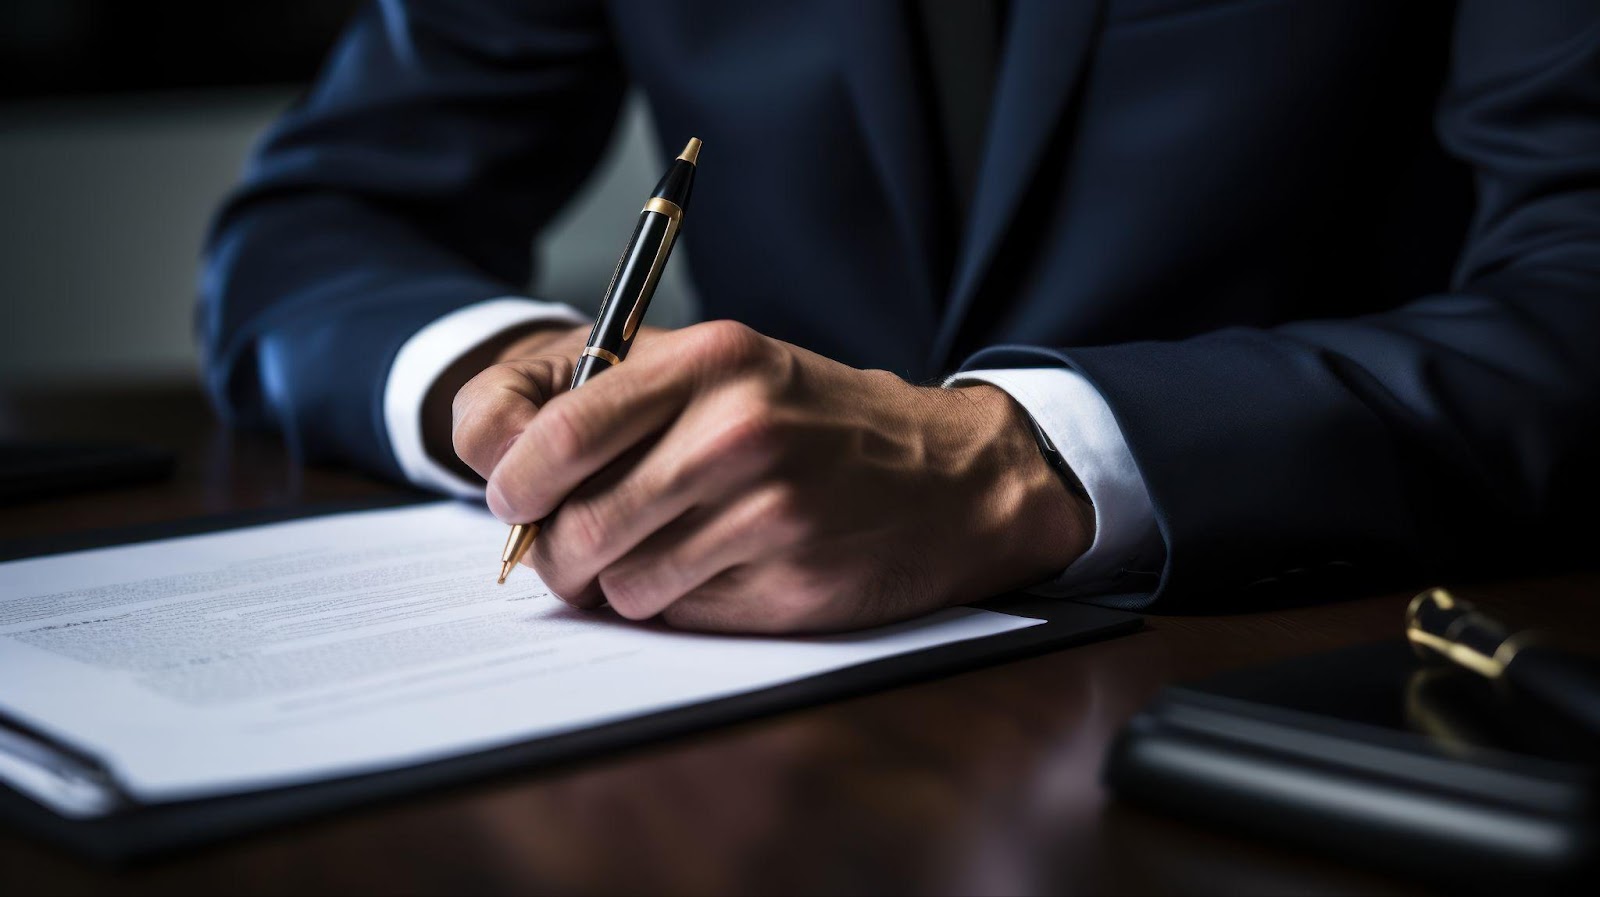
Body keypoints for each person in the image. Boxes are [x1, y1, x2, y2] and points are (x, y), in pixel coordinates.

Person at [199, 1, 1600, 633]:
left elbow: (1576, 287)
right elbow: (316, 225)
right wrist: (499, 371)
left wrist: (1018, 460)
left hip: (1329, 667)